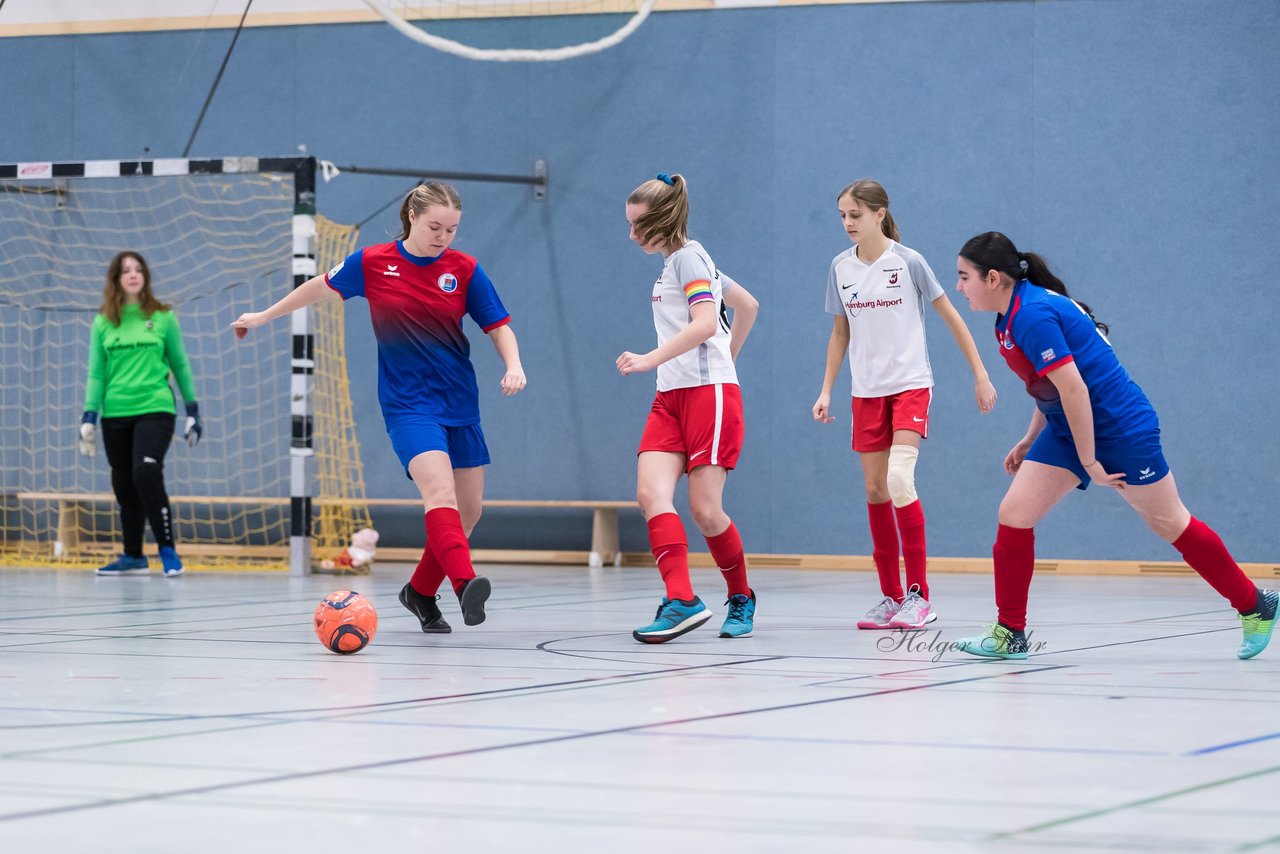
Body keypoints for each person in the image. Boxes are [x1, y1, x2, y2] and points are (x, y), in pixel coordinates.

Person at [953, 231, 1276, 660]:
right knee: (1014, 514)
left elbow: (1076, 390)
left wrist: (1089, 460)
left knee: (1168, 522)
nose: (959, 287)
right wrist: (1031, 438)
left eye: (963, 276)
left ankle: (1256, 606)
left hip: (1119, 428)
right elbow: (1050, 386)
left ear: (992, 278)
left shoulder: (1031, 314)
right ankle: (1010, 633)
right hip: (1069, 424)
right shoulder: (1009, 317)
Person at [232, 182, 526, 632]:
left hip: (460, 402)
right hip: (408, 405)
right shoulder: (372, 262)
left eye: (451, 229)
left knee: (468, 513)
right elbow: (317, 287)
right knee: (439, 495)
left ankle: (420, 593)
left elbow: (498, 325)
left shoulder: (464, 269)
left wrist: (514, 365)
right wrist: (263, 316)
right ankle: (465, 585)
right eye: (435, 226)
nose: (443, 236)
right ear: (412, 215)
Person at [813, 180, 996, 630]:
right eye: (842, 215)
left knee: (899, 478)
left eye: (855, 214)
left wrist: (980, 374)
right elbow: (840, 333)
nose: (848, 223)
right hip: (866, 392)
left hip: (910, 386)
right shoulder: (840, 268)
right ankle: (890, 597)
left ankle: (919, 597)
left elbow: (951, 316)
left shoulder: (909, 262)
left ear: (879, 213)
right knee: (875, 491)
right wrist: (826, 389)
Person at [618, 172, 761, 644]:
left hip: (708, 395)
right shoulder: (677, 263)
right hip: (671, 397)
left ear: (661, 219)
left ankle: (740, 595)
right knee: (649, 495)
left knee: (705, 510)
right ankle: (681, 599)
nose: (633, 235)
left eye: (638, 225)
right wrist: (728, 351)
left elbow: (704, 322)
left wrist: (651, 359)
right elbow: (747, 305)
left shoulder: (689, 259)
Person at [80, 251, 202, 577]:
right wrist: (89, 417)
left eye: (138, 269)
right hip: (115, 412)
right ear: (116, 278)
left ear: (145, 275)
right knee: (123, 483)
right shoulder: (104, 322)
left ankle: (168, 550)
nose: (133, 274)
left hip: (155, 408)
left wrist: (192, 409)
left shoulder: (162, 316)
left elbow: (180, 364)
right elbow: (96, 374)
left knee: (145, 473)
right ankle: (133, 555)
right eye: (125, 270)